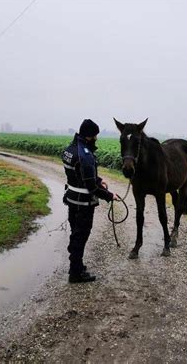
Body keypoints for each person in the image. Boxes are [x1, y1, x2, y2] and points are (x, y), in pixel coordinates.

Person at [62, 119, 120, 283]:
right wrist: (110, 195)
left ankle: (77, 265)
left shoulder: (70, 149)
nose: (96, 138)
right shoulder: (86, 155)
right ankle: (76, 273)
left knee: (75, 233)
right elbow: (91, 187)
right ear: (89, 136)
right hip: (83, 204)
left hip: (72, 200)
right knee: (81, 236)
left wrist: (98, 179)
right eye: (95, 135)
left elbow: (83, 174)